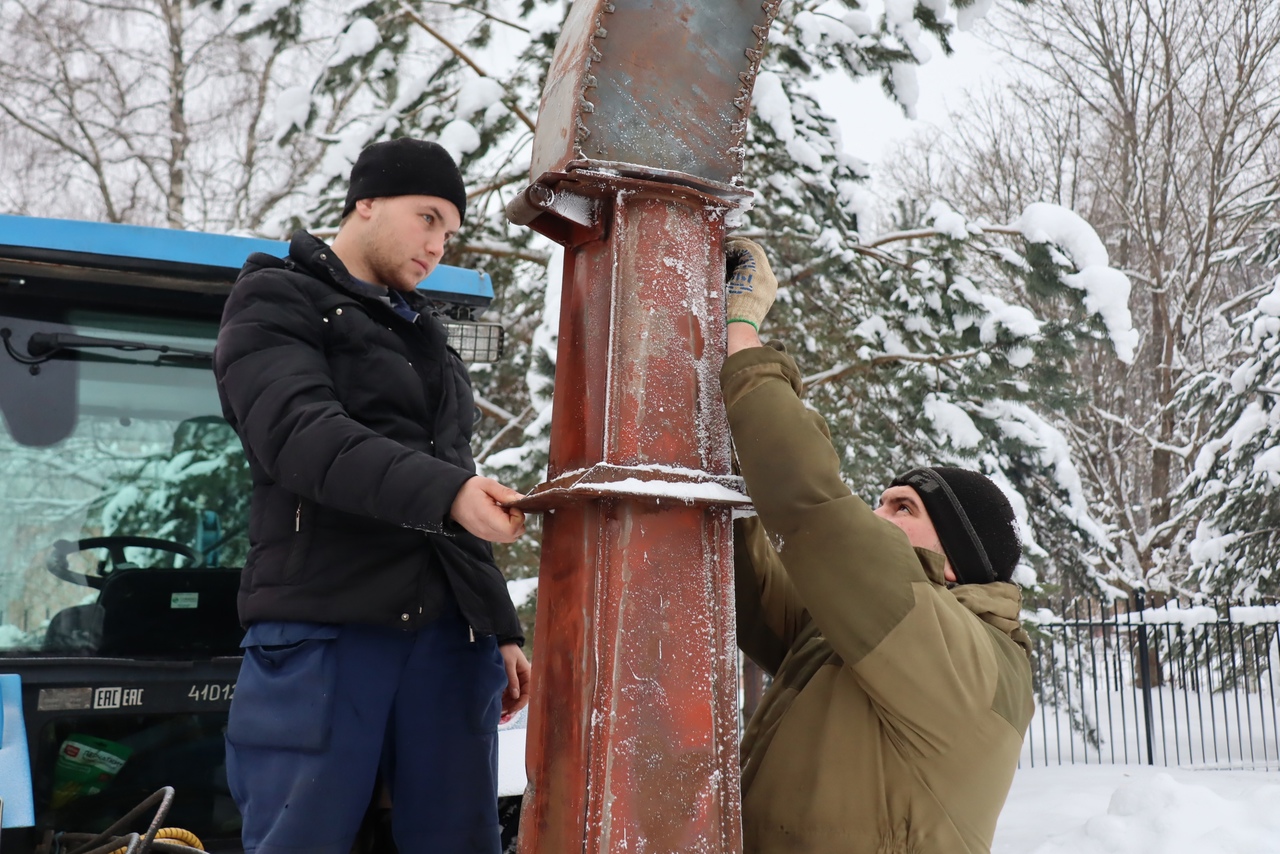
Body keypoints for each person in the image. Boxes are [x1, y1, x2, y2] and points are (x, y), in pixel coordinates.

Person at [214, 138, 530, 854]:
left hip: (447, 641)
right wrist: (451, 491)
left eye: (450, 232)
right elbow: (300, 435)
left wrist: (498, 625)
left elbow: (452, 468)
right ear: (366, 202)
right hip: (330, 631)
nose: (437, 245)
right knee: (304, 840)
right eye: (427, 218)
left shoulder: (430, 341)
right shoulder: (276, 298)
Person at [721, 237, 1034, 853]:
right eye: (882, 500)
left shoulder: (967, 660)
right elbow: (747, 583)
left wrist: (742, 332)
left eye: (903, 508)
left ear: (955, 563)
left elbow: (816, 512)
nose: (876, 515)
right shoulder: (846, 634)